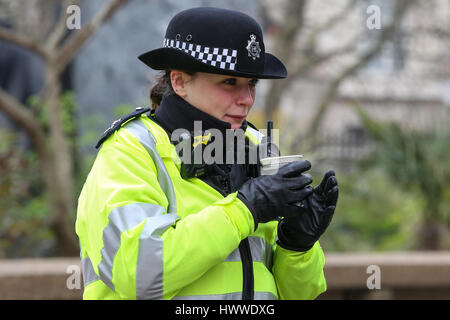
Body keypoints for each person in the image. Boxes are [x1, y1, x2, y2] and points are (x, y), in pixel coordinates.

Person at [76, 7, 338, 300]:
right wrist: (245, 210)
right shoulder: (131, 150)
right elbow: (138, 274)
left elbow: (298, 295)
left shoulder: (257, 146)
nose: (247, 99)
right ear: (179, 82)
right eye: (229, 82)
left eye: (252, 83)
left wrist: (297, 246)